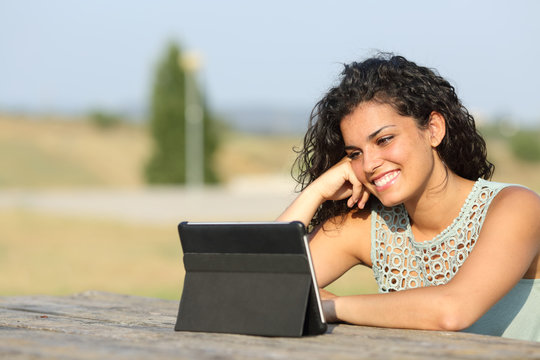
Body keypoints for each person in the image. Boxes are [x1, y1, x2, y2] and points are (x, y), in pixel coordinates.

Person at [277, 53, 540, 341]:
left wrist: (328, 306)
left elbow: (452, 310)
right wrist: (316, 191)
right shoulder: (369, 228)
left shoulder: (517, 206)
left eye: (384, 140)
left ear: (433, 130)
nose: (368, 165)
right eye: (355, 154)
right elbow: (260, 279)